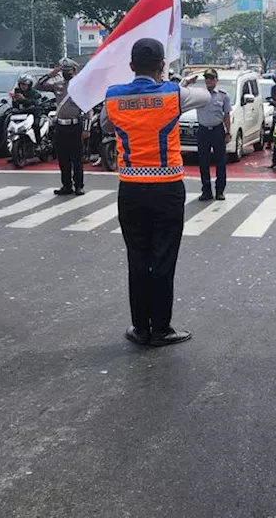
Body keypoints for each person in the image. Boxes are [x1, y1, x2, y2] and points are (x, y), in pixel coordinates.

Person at [101, 37, 210, 347]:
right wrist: (173, 81)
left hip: (131, 188)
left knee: (137, 257)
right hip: (166, 190)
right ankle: (161, 328)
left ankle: (140, 327)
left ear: (132, 65)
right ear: (162, 65)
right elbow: (203, 97)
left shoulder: (114, 97)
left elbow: (106, 126)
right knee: (163, 259)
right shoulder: (173, 94)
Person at [36, 59, 86, 196]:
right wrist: (51, 74)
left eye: (68, 71)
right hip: (60, 125)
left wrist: (86, 129)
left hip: (75, 125)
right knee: (63, 158)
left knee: (76, 158)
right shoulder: (58, 85)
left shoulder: (80, 87)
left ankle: (79, 186)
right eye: (64, 71)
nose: (66, 74)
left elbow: (88, 108)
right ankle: (66, 185)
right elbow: (38, 85)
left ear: (74, 72)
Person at [194, 68, 233, 201]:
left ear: (216, 80)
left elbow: (227, 115)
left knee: (220, 162)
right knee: (203, 162)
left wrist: (228, 132)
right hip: (203, 130)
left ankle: (220, 191)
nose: (209, 81)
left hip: (217, 130)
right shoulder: (199, 95)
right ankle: (206, 191)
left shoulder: (223, 96)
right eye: (207, 78)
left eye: (211, 78)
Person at [10, 73, 47, 144]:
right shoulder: (17, 92)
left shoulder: (34, 92)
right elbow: (15, 105)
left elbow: (36, 102)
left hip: (33, 113)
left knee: (36, 125)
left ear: (29, 85)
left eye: (24, 85)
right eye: (21, 84)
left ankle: (39, 143)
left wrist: (24, 99)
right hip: (21, 113)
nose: (23, 86)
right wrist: (14, 100)